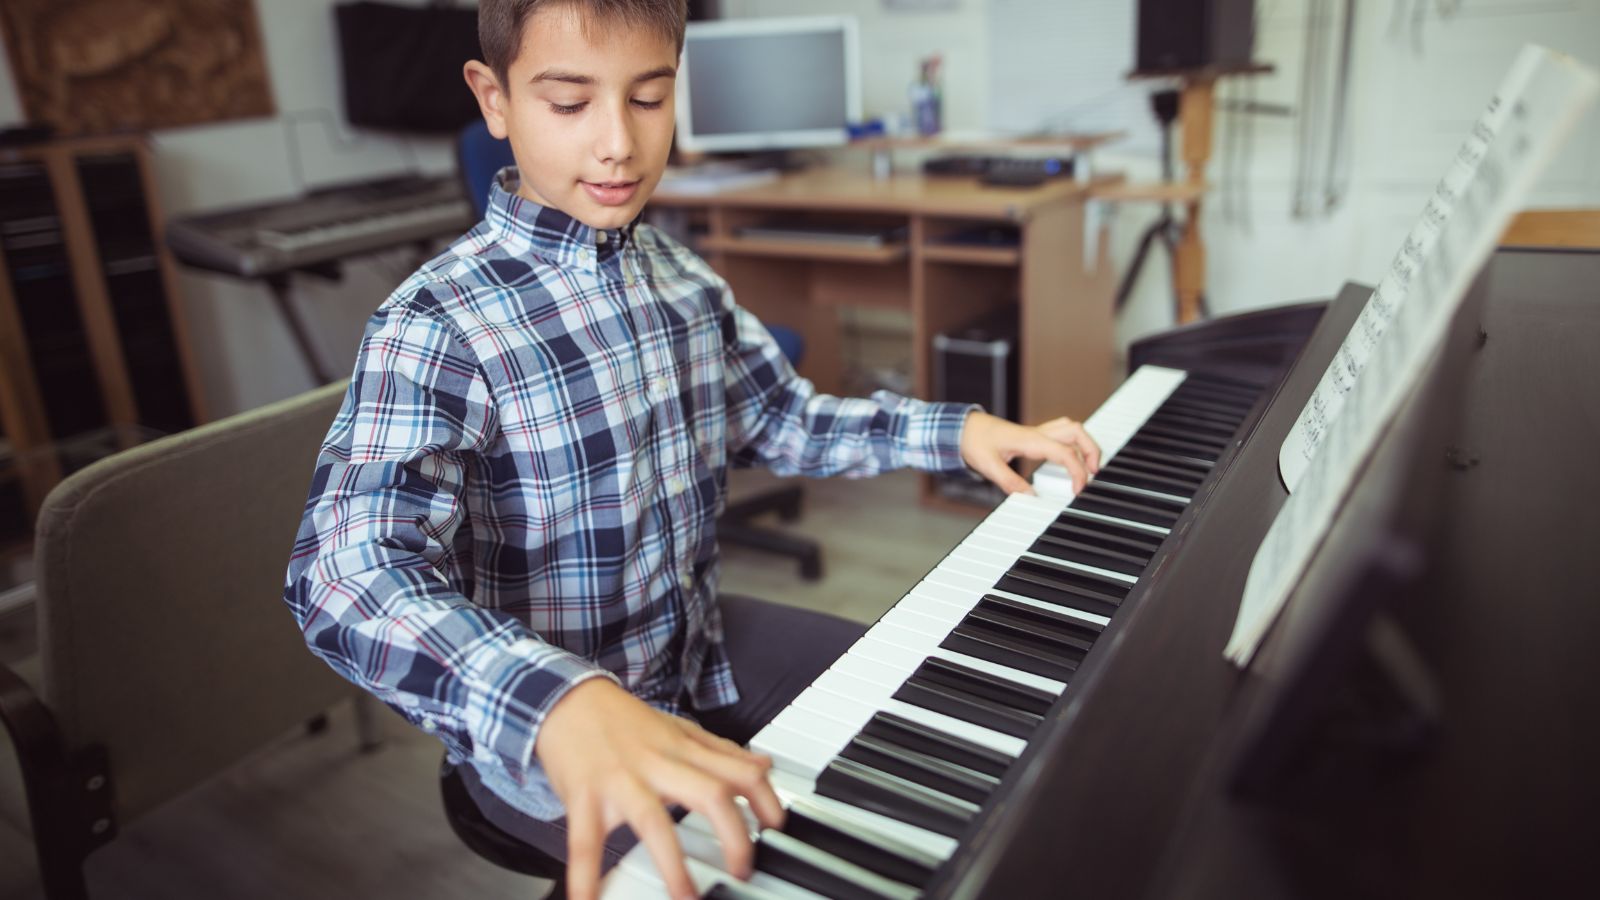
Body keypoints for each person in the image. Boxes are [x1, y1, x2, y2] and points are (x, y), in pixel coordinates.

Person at [282, 1, 1101, 897]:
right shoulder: (435, 324)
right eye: (569, 104)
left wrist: (956, 429)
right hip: (543, 732)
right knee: (753, 872)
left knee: (926, 715)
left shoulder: (681, 278)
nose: (618, 144)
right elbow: (343, 571)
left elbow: (782, 420)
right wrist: (556, 702)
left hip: (694, 652)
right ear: (495, 100)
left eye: (648, 98)